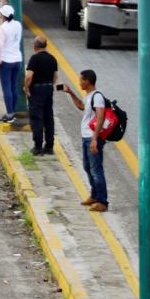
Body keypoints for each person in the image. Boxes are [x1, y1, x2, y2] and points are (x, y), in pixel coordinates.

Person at [62, 69, 108, 212]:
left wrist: (95, 139)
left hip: (92, 138)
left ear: (88, 81)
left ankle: (102, 201)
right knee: (88, 167)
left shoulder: (98, 97)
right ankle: (94, 195)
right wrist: (70, 93)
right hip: (86, 137)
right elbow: (81, 106)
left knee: (96, 169)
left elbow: (100, 117)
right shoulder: (89, 97)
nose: (79, 82)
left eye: (81, 80)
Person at [24, 36, 58, 156]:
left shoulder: (34, 59)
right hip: (48, 88)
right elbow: (55, 76)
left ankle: (38, 147)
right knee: (48, 117)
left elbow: (29, 76)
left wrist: (26, 87)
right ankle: (49, 146)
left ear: (35, 46)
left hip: (37, 90)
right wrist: (49, 85)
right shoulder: (52, 58)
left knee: (37, 118)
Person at [0, 5, 23, 123]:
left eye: (0, 13)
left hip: (5, 60)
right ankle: (13, 111)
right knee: (13, 86)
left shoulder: (2, 28)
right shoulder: (18, 25)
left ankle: (9, 114)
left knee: (6, 88)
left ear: (4, 16)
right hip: (17, 59)